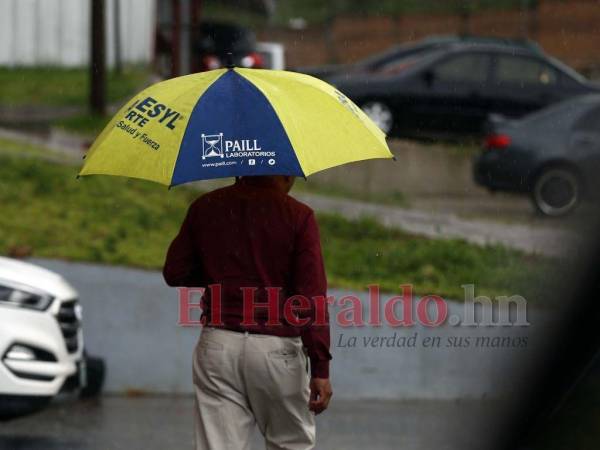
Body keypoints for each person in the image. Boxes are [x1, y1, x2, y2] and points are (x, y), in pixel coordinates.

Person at [163, 175, 332, 450]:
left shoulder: (205, 206)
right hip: (277, 351)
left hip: (218, 346)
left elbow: (175, 272)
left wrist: (221, 275)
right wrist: (321, 368)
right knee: (289, 444)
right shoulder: (298, 216)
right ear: (285, 172)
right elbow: (311, 300)